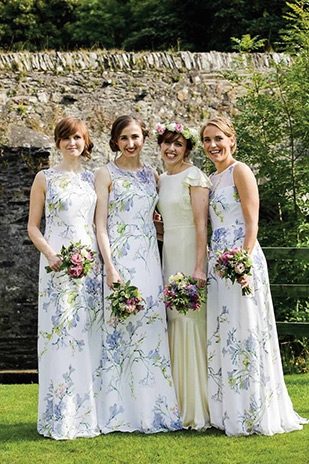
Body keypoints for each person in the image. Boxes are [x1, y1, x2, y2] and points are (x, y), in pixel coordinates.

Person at [201, 116, 308, 436]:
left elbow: (252, 223)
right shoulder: (212, 178)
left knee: (246, 331)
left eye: (218, 138)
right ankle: (229, 411)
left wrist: (243, 264)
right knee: (225, 334)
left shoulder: (240, 171)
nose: (212, 145)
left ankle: (254, 411)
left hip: (240, 260)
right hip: (218, 263)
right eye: (207, 140)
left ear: (232, 140)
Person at [95, 115, 182, 433]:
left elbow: (159, 220)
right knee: (120, 334)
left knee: (149, 330)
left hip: (148, 262)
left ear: (144, 138)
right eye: (124, 138)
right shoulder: (105, 174)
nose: (131, 143)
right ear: (115, 142)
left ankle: (154, 409)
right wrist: (110, 267)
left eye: (136, 137)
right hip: (120, 259)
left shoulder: (152, 176)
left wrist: (163, 229)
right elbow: (100, 225)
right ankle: (119, 411)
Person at [28, 117, 103, 440]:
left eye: (77, 137)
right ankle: (60, 415)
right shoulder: (44, 178)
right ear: (58, 143)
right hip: (57, 266)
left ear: (85, 142)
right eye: (66, 138)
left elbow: (99, 224)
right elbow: (33, 226)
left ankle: (87, 414)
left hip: (89, 265)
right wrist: (51, 255)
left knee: (87, 335)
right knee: (61, 336)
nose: (72, 143)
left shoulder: (91, 180)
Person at [156, 122, 212, 430]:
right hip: (169, 256)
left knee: (192, 323)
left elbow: (201, 225)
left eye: (178, 144)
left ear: (187, 149)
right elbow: (167, 224)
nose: (171, 149)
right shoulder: (162, 179)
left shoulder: (195, 176)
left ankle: (197, 407)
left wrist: (199, 267)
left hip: (191, 254)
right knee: (174, 322)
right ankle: (173, 402)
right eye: (167, 143)